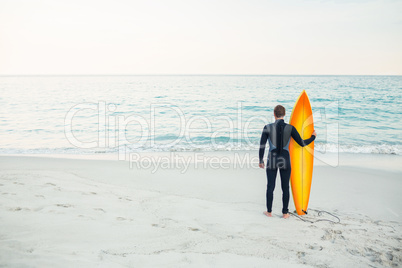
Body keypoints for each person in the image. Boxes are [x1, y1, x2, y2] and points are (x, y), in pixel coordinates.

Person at [259, 105, 316, 219]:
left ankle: (269, 212)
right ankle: (285, 213)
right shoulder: (290, 128)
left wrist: (260, 160)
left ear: (274, 114)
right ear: (284, 114)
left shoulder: (267, 127)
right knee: (285, 187)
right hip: (285, 160)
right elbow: (302, 143)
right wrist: (313, 137)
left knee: (270, 186)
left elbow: (262, 145)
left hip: (273, 159)